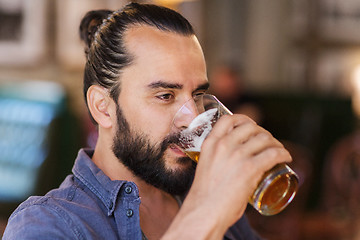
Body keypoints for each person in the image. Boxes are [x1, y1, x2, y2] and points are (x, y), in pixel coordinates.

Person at [3, 3, 291, 239]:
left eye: (199, 94)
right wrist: (205, 213)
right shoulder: (47, 224)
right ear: (103, 108)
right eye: (166, 96)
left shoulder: (203, 194)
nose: (193, 119)